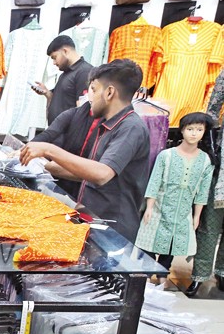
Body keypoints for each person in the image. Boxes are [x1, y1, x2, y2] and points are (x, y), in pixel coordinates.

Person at [20, 59, 150, 243]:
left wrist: (49, 149)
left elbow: (102, 174)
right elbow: (88, 173)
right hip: (92, 220)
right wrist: (44, 167)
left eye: (94, 90)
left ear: (110, 92)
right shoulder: (108, 125)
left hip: (112, 231)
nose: (90, 96)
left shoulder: (131, 128)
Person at [136, 112, 214, 288]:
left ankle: (163, 277)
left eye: (199, 129)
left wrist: (196, 216)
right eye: (190, 129)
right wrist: (149, 207)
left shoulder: (205, 161)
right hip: (159, 208)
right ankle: (146, 277)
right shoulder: (167, 155)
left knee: (171, 246)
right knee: (149, 242)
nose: (194, 133)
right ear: (182, 130)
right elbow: (155, 181)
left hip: (183, 211)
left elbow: (202, 192)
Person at [31, 35, 94, 125]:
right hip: (57, 133)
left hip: (68, 135)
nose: (54, 63)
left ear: (65, 51)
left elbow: (83, 110)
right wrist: (47, 93)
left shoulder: (84, 72)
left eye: (54, 57)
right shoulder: (65, 74)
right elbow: (62, 102)